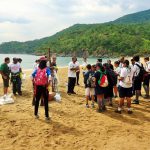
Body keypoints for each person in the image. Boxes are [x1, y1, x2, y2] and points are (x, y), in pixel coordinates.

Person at [32, 57, 51, 121]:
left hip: (38, 86)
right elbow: (50, 77)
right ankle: (46, 116)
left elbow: (32, 75)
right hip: (44, 86)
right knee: (45, 101)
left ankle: (35, 114)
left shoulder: (37, 69)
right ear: (45, 62)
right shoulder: (47, 69)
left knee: (37, 100)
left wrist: (34, 82)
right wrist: (48, 83)